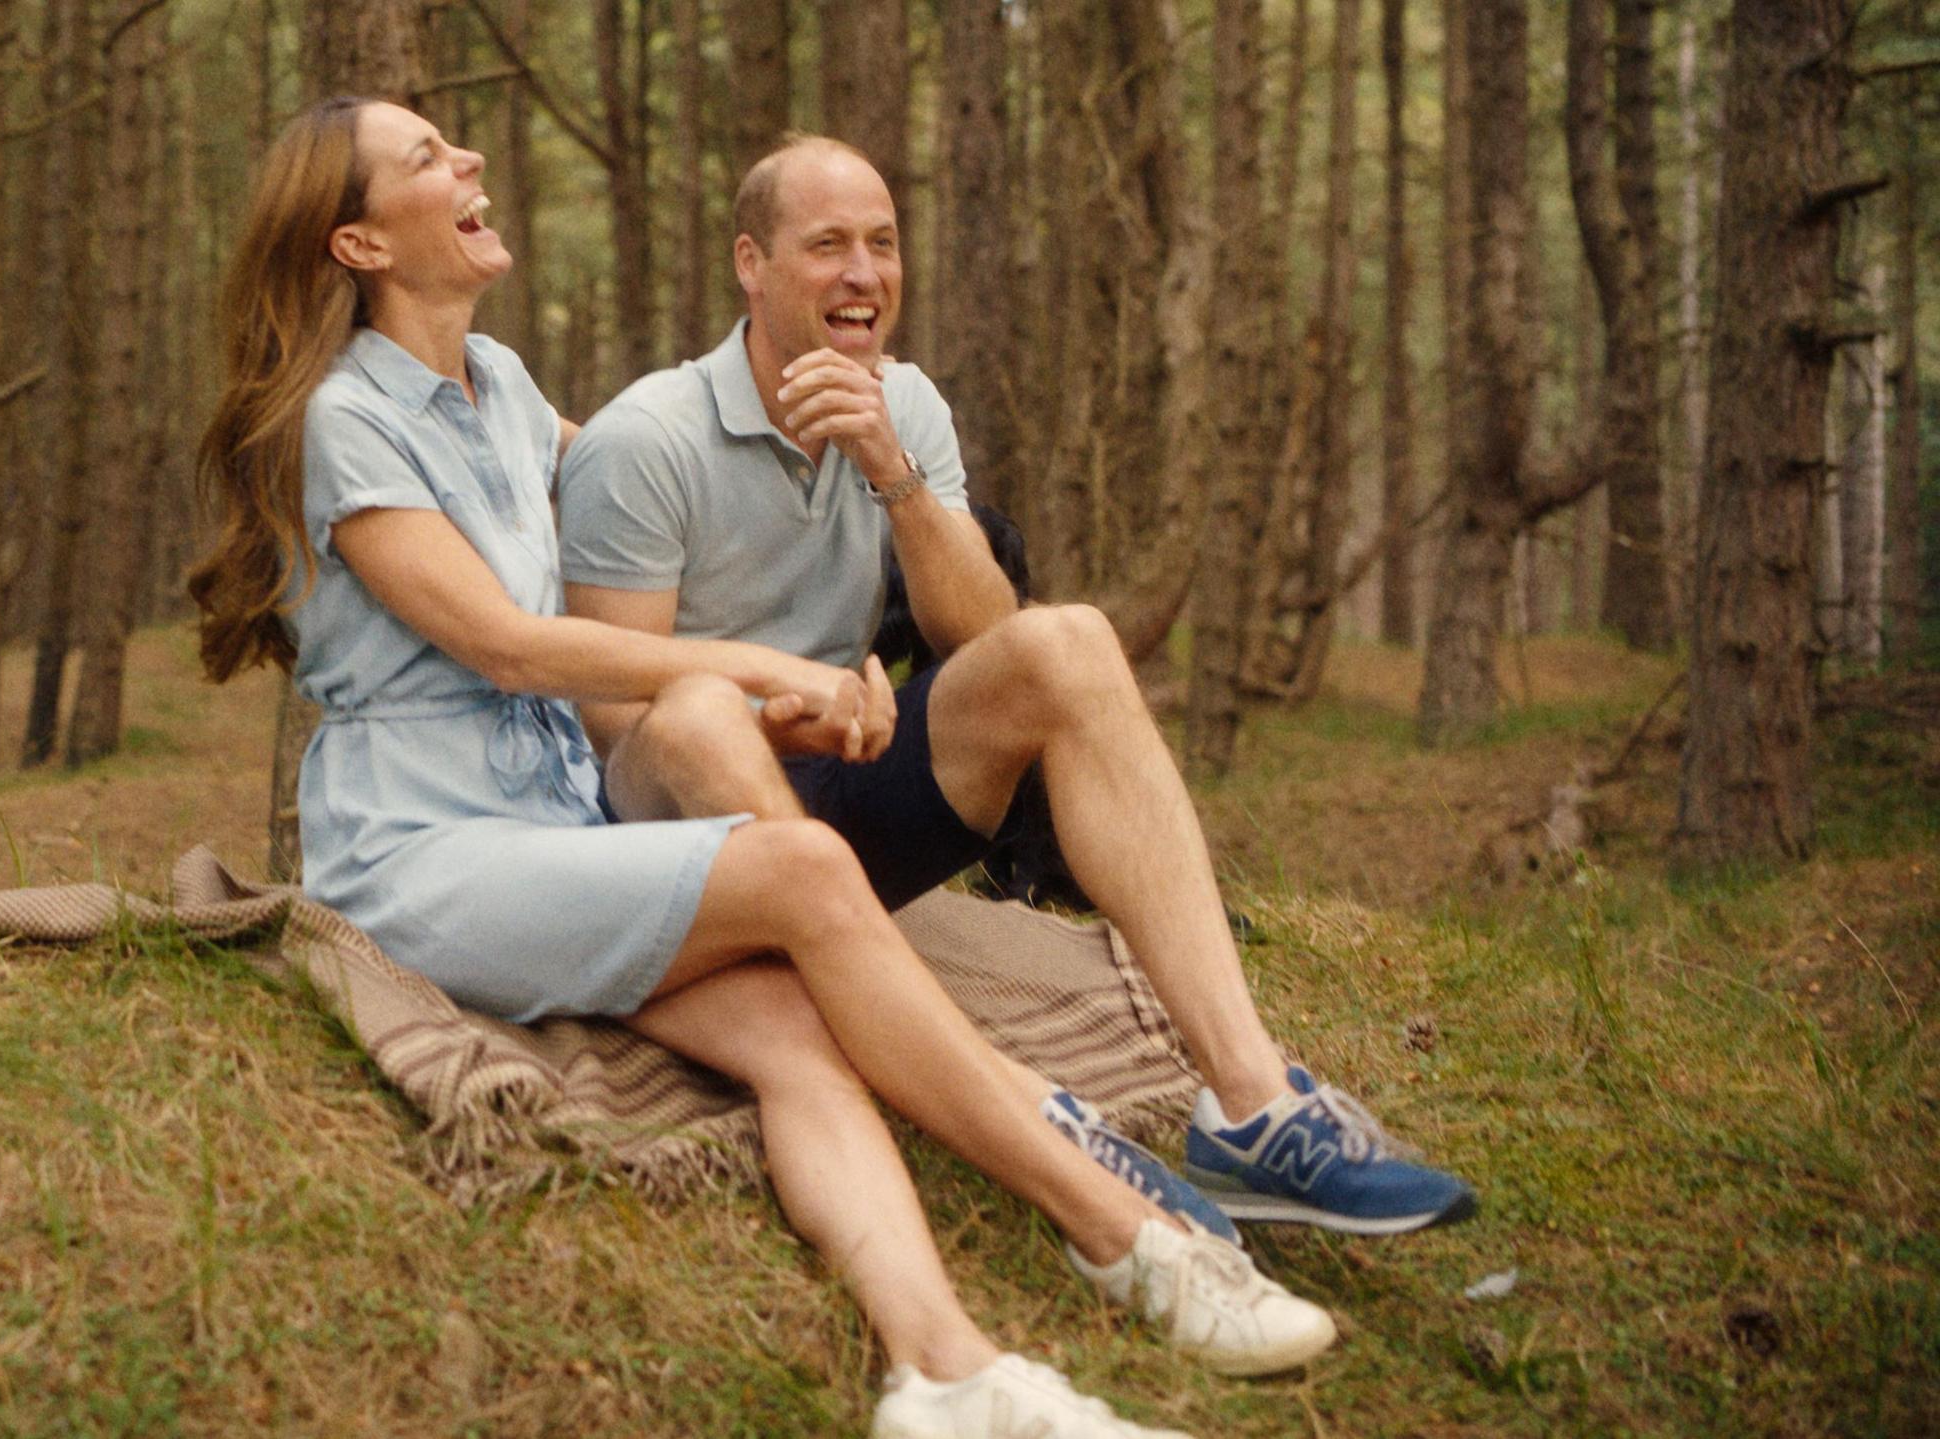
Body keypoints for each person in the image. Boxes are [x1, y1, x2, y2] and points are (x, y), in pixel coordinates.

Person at [190, 98, 1337, 1439]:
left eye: (458, 143)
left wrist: (829, 617)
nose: (469, 162)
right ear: (358, 240)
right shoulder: (341, 422)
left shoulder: (497, 386)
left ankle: (946, 1370)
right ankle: (1119, 1221)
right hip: (424, 854)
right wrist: (763, 670)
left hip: (562, 833)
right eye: (429, 159)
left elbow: (635, 480)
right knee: (798, 865)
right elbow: (505, 644)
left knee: (797, 1034)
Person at [558, 134, 1477, 1241]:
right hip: (688, 839)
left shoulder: (910, 407)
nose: (864, 273)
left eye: (884, 245)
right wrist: (773, 706)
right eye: (828, 245)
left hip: (843, 790)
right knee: (700, 716)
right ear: (751, 265)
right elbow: (610, 714)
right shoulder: (645, 439)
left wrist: (891, 470)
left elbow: (986, 639)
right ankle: (1021, 1109)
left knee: (1070, 642)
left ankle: (1252, 1102)